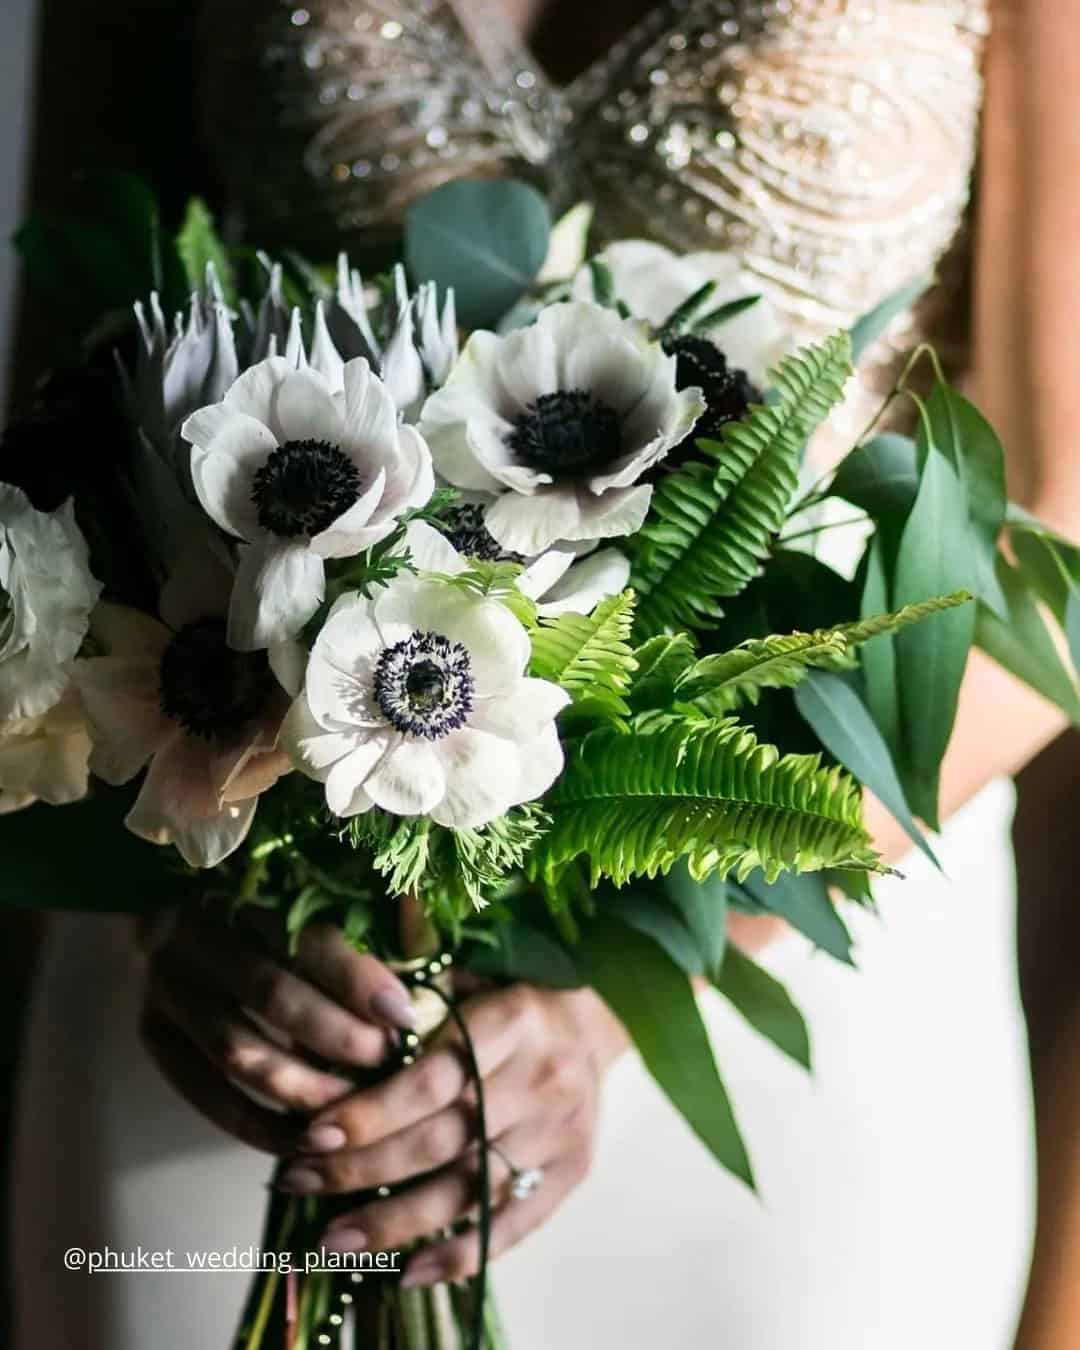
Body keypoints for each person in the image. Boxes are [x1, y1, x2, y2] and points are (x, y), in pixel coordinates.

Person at [10, 2, 1080, 1346]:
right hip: (267, 970)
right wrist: (177, 914)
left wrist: (623, 983)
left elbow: (1063, 515)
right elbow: (55, 439)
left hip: (798, 938)